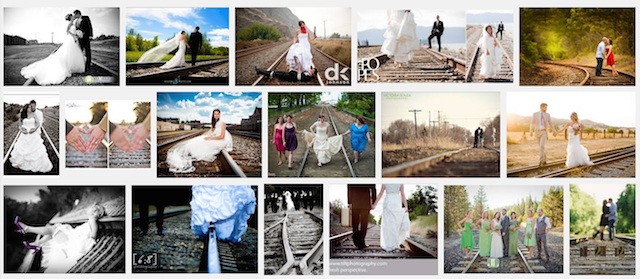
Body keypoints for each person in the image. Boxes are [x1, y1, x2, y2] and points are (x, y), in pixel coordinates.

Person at [14, 205, 104, 273]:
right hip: (75, 239)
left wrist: (84, 239)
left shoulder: (92, 220)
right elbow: (92, 235)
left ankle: (28, 230)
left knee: (53, 229)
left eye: (91, 210)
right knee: (55, 229)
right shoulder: (91, 220)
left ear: (94, 212)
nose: (88, 210)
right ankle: (37, 242)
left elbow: (93, 236)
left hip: (76, 242)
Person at [20, 13, 86, 85]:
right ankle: (70, 67)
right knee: (69, 52)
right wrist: (74, 36)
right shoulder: (70, 24)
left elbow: (72, 31)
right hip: (71, 39)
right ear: (70, 17)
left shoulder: (73, 23)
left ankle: (73, 66)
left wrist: (77, 34)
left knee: (73, 52)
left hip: (73, 39)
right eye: (72, 16)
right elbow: (67, 31)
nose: (73, 17)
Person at [166, 109, 232, 173]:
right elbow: (210, 131)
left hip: (221, 141)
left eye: (218, 114)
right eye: (215, 114)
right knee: (200, 140)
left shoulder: (222, 123)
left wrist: (210, 138)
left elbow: (222, 137)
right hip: (215, 138)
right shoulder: (214, 123)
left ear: (220, 115)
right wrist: (202, 136)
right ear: (213, 115)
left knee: (204, 142)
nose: (216, 115)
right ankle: (191, 151)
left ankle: (193, 152)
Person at [9, 101, 53, 172]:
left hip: (33, 133)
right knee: (22, 149)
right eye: (29, 107)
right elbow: (19, 125)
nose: (30, 108)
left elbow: (38, 124)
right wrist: (22, 130)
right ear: (26, 108)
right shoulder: (23, 115)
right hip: (25, 134)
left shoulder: (34, 114)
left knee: (35, 149)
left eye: (30, 107)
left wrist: (34, 129)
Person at [372, 184, 410, 252]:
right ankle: (394, 243)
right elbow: (402, 194)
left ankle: (388, 243)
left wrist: (375, 204)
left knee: (387, 224)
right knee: (395, 223)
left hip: (388, 201)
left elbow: (381, 193)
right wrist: (406, 206)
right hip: (396, 201)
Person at [347, 185, 376, 249]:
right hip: (365, 201)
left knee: (355, 223)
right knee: (364, 223)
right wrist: (374, 202)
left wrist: (349, 202)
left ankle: (356, 241)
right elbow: (373, 188)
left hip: (355, 200)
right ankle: (361, 242)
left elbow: (349, 187)